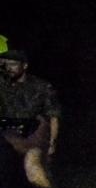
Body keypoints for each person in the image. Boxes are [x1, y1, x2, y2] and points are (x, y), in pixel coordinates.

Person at [0, 36, 62, 173]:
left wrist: (52, 143)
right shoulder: (4, 86)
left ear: (25, 65)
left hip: (34, 138)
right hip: (9, 139)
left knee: (35, 171)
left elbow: (53, 116)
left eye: (13, 64)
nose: (8, 68)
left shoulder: (41, 87)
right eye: (5, 64)